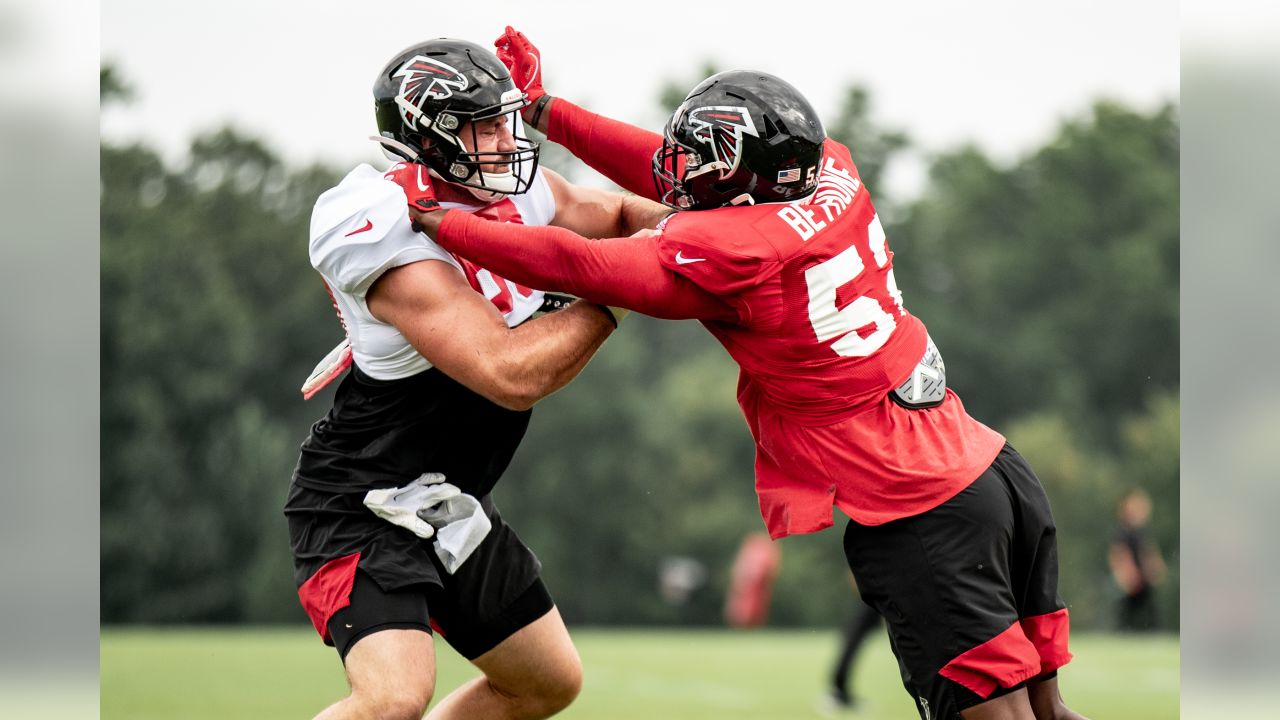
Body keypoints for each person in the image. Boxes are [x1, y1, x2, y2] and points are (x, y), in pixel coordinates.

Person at [388, 26, 1093, 720]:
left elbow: (579, 263)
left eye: (700, 160)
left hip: (917, 505)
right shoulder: (833, 169)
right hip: (991, 471)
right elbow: (656, 165)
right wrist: (549, 111)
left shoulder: (737, 254)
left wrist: (443, 224)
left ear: (738, 178)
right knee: (1050, 713)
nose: (679, 170)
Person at [286, 38, 678, 720]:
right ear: (428, 136)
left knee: (545, 682)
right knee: (393, 698)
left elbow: (616, 216)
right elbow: (508, 372)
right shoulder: (387, 229)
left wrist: (693, 234)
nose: (506, 140)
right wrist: (624, 286)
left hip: (448, 498)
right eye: (485, 125)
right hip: (364, 498)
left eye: (505, 119)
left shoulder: (514, 190)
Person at [1108, 488, 1167, 632]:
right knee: (1127, 612)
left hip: (1144, 577)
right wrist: (1126, 574)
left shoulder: (1142, 531)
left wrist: (1156, 568)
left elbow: (1148, 552)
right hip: (1131, 579)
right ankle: (1123, 633)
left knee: (1150, 610)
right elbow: (1118, 553)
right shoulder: (1123, 531)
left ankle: (1153, 632)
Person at [823, 578, 884, 713]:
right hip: (876, 586)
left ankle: (839, 688)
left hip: (878, 585)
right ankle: (838, 689)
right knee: (854, 634)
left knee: (854, 634)